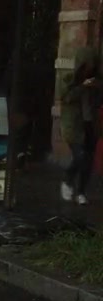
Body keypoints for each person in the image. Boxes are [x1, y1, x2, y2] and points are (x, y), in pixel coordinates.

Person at [58, 47, 100, 204]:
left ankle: (81, 192)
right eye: (87, 65)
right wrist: (83, 86)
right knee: (79, 156)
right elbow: (66, 98)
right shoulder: (69, 78)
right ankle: (67, 180)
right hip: (74, 125)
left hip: (90, 123)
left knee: (88, 160)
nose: (90, 68)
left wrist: (96, 87)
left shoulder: (96, 79)